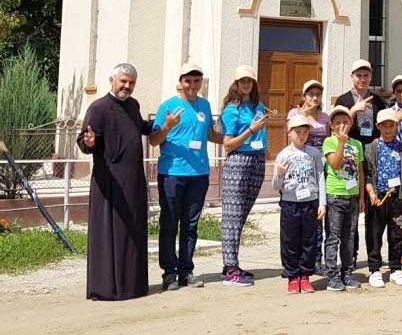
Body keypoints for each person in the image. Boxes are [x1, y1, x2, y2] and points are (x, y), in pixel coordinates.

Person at [76, 63, 159, 300]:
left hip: (133, 180)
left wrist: (164, 122)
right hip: (109, 181)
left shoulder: (133, 105)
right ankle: (107, 289)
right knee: (108, 233)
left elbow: (141, 127)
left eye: (131, 82)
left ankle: (133, 286)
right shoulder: (98, 108)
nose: (127, 86)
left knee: (133, 230)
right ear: (111, 80)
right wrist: (89, 143)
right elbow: (84, 141)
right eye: (123, 81)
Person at [151, 63, 223, 291]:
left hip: (199, 174)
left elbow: (210, 134)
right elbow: (154, 140)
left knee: (191, 225)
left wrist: (241, 138)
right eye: (187, 81)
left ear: (201, 82)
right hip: (172, 174)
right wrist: (167, 125)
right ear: (180, 82)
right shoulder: (168, 106)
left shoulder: (205, 105)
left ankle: (186, 271)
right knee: (170, 223)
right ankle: (169, 273)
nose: (192, 85)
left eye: (196, 81)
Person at [219, 65, 271, 287]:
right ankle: (231, 268)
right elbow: (227, 144)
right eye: (242, 81)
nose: (246, 84)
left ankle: (231, 263)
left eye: (249, 80)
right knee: (232, 215)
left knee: (240, 215)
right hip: (239, 161)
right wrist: (251, 130)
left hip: (257, 160)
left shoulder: (257, 104)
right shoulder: (232, 109)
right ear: (236, 83)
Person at [272, 115, 327, 294]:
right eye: (298, 132)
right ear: (289, 133)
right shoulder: (283, 155)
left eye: (305, 132)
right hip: (290, 204)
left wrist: (322, 203)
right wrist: (279, 173)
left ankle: (305, 275)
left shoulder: (314, 153)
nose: (302, 135)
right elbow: (275, 186)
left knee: (309, 240)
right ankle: (292, 276)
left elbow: (320, 177)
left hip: (310, 203)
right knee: (290, 240)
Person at [288, 79, 331, 275]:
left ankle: (316, 260)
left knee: (318, 216)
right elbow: (289, 136)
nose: (315, 98)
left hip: (321, 166)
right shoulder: (294, 114)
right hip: (300, 168)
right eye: (311, 94)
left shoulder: (325, 117)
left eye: (318, 94)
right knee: (300, 218)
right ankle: (297, 261)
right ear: (304, 96)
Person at [364, 110, 402, 288]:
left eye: (392, 125)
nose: (388, 128)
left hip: (397, 197)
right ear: (378, 126)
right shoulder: (371, 147)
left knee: (396, 233)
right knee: (374, 233)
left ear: (397, 126)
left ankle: (395, 268)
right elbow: (367, 174)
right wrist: (371, 193)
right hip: (377, 196)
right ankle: (375, 269)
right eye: (384, 125)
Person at [322, 105, 364, 291]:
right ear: (331, 125)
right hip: (335, 195)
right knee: (333, 237)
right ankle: (332, 275)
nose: (342, 125)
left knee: (349, 237)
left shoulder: (357, 144)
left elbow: (361, 172)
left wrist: (362, 196)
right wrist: (340, 142)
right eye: (337, 122)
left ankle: (347, 272)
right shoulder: (329, 142)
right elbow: (336, 164)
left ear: (351, 123)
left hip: (352, 196)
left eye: (345, 122)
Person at [335, 59, 389, 146]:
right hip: (351, 146)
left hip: (373, 147)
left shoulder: (378, 101)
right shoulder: (342, 100)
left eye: (366, 75)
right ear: (352, 77)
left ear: (371, 77)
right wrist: (353, 111)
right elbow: (337, 128)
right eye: (359, 75)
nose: (362, 79)